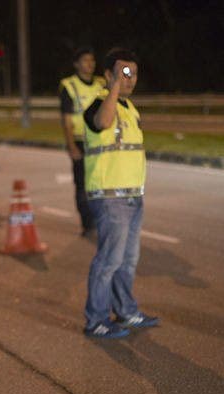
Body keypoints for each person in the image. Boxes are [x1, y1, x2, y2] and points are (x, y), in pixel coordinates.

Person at [82, 48, 160, 339]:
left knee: (128, 261)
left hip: (133, 196)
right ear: (107, 75)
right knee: (108, 261)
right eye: (123, 73)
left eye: (133, 73)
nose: (129, 79)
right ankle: (96, 320)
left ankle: (126, 311)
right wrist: (113, 86)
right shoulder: (96, 105)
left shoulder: (130, 109)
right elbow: (101, 123)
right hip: (109, 197)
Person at [59, 46, 106, 237]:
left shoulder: (102, 84)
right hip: (79, 141)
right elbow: (67, 118)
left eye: (92, 60)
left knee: (101, 182)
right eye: (85, 60)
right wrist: (70, 145)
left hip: (100, 141)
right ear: (76, 64)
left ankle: (101, 218)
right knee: (82, 185)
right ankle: (88, 224)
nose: (90, 64)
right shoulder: (69, 85)